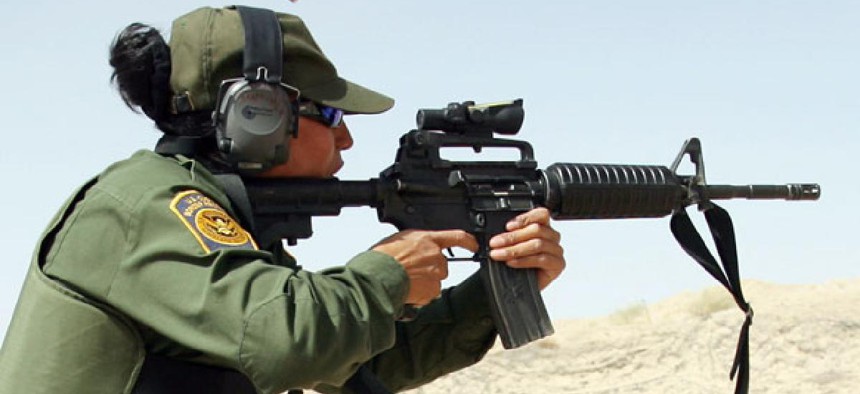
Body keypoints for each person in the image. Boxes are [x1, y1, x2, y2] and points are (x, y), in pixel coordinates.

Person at [0, 5, 565, 394]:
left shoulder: (218, 216)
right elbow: (282, 342)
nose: (346, 137)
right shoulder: (143, 205)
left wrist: (497, 291)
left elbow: (362, 365)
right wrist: (387, 273)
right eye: (332, 115)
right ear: (257, 114)